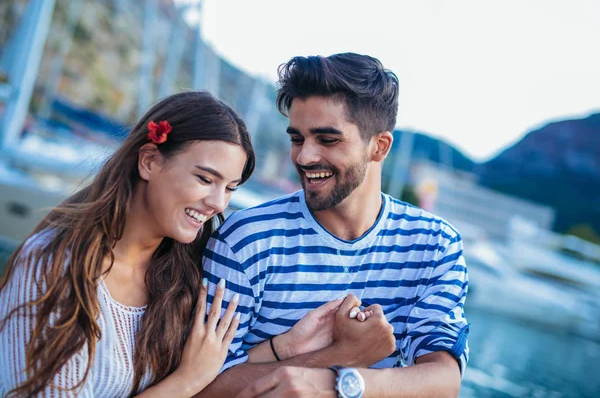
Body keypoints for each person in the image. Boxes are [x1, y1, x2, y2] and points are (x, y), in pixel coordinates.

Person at [0, 91, 346, 397]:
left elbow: (211, 363)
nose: (218, 203)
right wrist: (186, 381)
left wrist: (286, 346)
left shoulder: (186, 272)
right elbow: (196, 375)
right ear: (149, 160)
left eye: (229, 188)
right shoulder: (53, 266)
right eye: (205, 179)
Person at [199, 53, 470, 397]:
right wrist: (344, 357)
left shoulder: (435, 245)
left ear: (379, 147)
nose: (304, 157)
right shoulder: (245, 240)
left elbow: (444, 381)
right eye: (297, 138)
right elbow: (201, 386)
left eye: (327, 140)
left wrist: (338, 382)